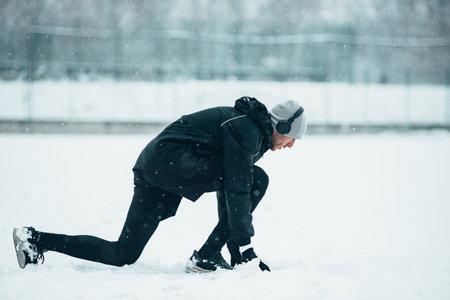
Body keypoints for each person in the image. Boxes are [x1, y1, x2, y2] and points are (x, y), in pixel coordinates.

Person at [13, 96, 307, 273]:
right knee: (253, 180)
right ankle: (207, 255)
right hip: (172, 165)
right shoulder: (246, 129)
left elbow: (231, 188)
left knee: (123, 254)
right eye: (293, 137)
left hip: (155, 169)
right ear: (280, 127)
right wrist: (244, 249)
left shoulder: (248, 131)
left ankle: (35, 240)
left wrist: (235, 248)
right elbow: (236, 189)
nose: (291, 146)